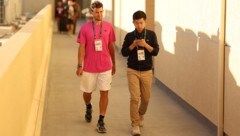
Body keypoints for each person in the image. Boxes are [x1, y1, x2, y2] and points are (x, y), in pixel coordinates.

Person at [76, 1, 116, 133]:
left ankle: (101, 120)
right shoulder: (85, 28)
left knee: (104, 92)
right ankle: (88, 106)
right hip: (89, 67)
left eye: (101, 12)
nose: (99, 14)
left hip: (105, 66)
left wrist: (114, 63)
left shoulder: (109, 27)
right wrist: (80, 65)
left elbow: (111, 45)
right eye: (97, 12)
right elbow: (81, 47)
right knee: (87, 93)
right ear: (91, 12)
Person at [121, 10, 159, 136]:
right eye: (136, 23)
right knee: (134, 98)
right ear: (133, 23)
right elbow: (124, 52)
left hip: (147, 71)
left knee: (146, 99)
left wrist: (145, 45)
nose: (139, 25)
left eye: (141, 23)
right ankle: (135, 124)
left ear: (145, 22)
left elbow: (155, 52)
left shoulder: (151, 35)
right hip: (132, 70)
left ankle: (140, 114)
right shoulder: (129, 36)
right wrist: (132, 45)